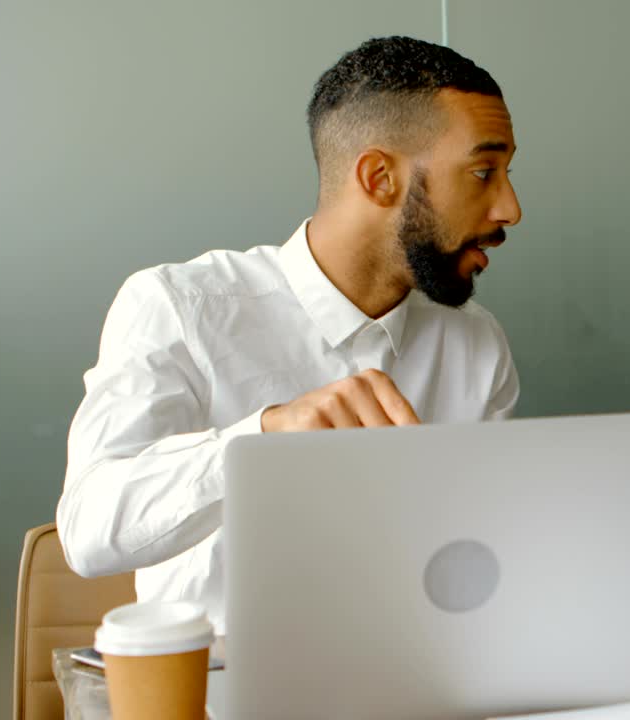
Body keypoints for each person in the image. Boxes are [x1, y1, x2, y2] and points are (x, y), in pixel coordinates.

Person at [57, 36, 522, 631]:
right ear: (380, 177)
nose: (510, 208)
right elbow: (89, 532)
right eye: (483, 172)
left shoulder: (477, 344)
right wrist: (265, 437)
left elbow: (479, 555)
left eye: (507, 173)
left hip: (416, 677)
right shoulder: (180, 307)